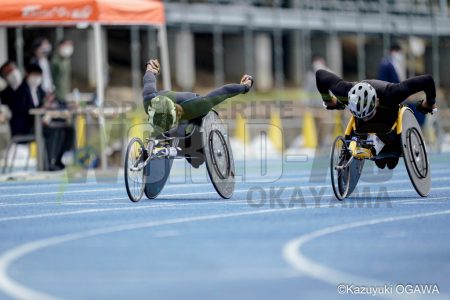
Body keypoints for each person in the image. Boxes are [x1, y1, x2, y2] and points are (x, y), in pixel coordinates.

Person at [315, 69, 437, 170]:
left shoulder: (393, 93)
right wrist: (328, 100)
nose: (366, 119)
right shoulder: (345, 92)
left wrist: (429, 103)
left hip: (389, 125)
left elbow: (427, 80)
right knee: (379, 161)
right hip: (362, 130)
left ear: (376, 102)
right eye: (361, 115)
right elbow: (320, 75)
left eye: (367, 115)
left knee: (389, 163)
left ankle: (386, 144)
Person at [142, 59, 253, 167]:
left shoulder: (198, 105)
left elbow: (224, 92)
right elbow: (149, 80)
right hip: (172, 115)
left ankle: (194, 149)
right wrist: (151, 68)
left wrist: (244, 87)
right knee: (162, 135)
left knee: (196, 160)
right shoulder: (149, 99)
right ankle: (169, 143)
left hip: (194, 115)